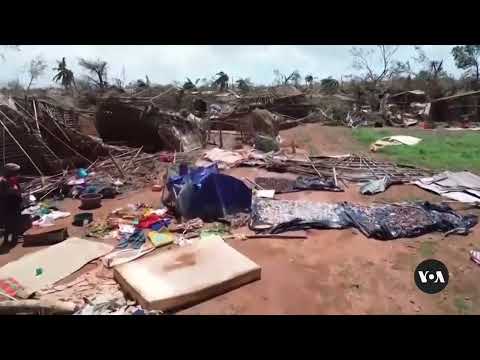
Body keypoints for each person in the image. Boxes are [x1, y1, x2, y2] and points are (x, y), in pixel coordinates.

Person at [0, 163, 24, 247]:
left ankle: (14, 238)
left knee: (14, 223)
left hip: (14, 205)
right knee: (10, 224)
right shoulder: (3, 181)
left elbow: (18, 190)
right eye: (15, 172)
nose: (17, 174)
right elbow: (7, 192)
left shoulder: (12, 179)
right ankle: (10, 241)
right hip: (8, 206)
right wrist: (15, 190)